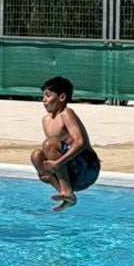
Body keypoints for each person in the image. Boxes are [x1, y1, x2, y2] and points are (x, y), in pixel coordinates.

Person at [30, 75, 100, 211]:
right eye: (43, 96)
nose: (44, 100)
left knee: (48, 144)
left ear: (62, 98)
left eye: (48, 95)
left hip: (87, 168)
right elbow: (52, 153)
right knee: (36, 155)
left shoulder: (66, 113)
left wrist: (58, 163)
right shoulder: (46, 120)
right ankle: (67, 195)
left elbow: (81, 142)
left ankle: (66, 191)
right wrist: (44, 172)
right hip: (71, 174)